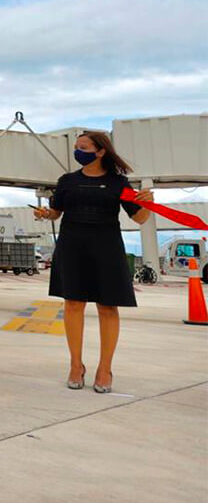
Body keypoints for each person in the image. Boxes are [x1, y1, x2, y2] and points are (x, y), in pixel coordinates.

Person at [33, 131, 152, 394]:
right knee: (73, 304)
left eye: (83, 147)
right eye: (76, 147)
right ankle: (76, 365)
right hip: (72, 244)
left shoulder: (119, 183)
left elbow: (140, 219)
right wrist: (45, 214)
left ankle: (104, 368)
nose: (78, 151)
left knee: (108, 307)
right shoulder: (67, 181)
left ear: (100, 151)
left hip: (106, 246)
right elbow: (56, 212)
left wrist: (149, 202)